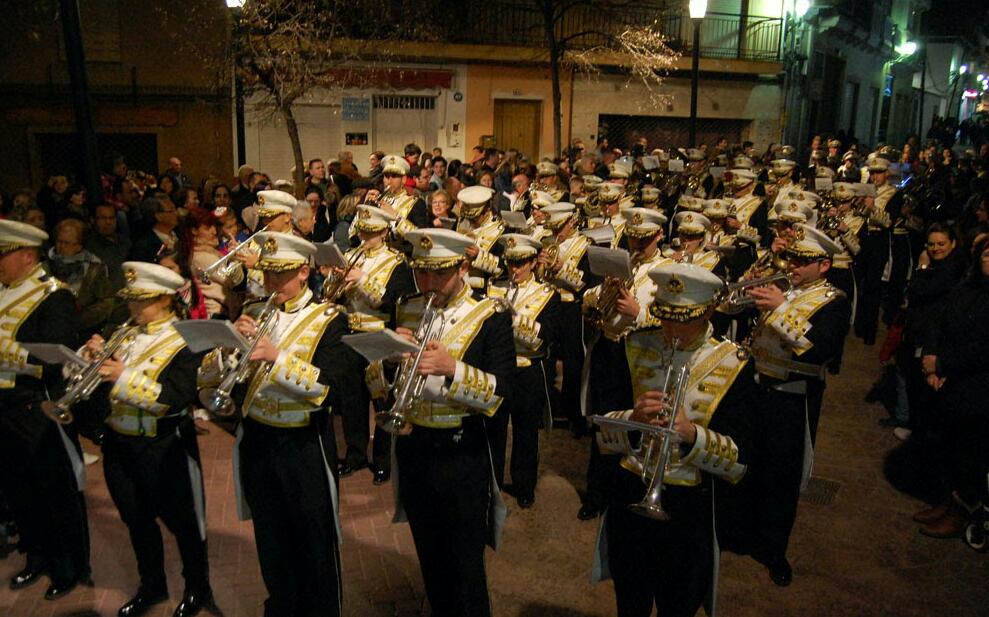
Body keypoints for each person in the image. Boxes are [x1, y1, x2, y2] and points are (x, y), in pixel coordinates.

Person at [198, 232, 353, 616]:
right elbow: (210, 379)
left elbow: (333, 388)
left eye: (279, 276)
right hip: (259, 441)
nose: (270, 285)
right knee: (271, 541)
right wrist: (230, 348)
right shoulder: (255, 310)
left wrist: (278, 359)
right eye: (266, 275)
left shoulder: (330, 318)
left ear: (303, 271)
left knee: (314, 545)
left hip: (304, 446)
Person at [362, 228, 515, 617]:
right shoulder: (410, 307)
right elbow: (379, 387)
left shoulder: (491, 316)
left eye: (439, 274)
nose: (428, 284)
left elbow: (503, 394)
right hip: (415, 447)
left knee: (466, 568)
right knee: (429, 556)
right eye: (421, 274)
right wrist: (389, 361)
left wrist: (454, 370)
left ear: (463, 266)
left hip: (462, 453)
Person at [594, 261, 755, 617]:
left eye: (684, 319)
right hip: (630, 493)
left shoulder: (735, 363)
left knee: (678, 603)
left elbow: (741, 461)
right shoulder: (633, 345)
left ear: (709, 310)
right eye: (665, 316)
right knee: (629, 600)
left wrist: (691, 434)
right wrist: (633, 420)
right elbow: (601, 432)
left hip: (689, 506)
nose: (671, 328)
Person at [87, 261, 215, 617]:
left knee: (184, 524)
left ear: (165, 300)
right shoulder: (124, 333)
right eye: (131, 300)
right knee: (136, 519)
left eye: (141, 301)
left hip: (164, 445)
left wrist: (123, 376)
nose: (133, 308)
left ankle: (197, 588)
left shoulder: (187, 338)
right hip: (120, 442)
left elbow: (176, 395)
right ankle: (152, 585)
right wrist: (93, 360)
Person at [745, 223, 850, 585]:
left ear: (823, 265)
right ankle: (746, 532)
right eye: (791, 258)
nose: (792, 266)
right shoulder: (786, 288)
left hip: (791, 397)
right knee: (751, 464)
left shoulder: (834, 301)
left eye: (802, 261)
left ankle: (774, 550)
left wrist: (778, 310)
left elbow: (821, 348)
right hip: (757, 386)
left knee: (782, 476)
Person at [0, 219, 91, 600]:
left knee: (55, 492)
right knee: (20, 489)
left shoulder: (53, 295)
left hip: (36, 406)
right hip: (5, 407)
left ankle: (67, 566)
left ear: (25, 255)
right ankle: (36, 555)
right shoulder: (5, 291)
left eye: (3, 255)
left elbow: (56, 355)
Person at [578, 208, 669, 521]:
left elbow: (676, 316)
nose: (637, 244)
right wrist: (592, 300)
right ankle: (596, 492)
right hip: (609, 347)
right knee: (604, 421)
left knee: (636, 423)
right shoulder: (623, 262)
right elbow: (592, 294)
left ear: (659, 235)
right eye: (633, 237)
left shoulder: (669, 269)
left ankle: (626, 491)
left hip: (640, 353)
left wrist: (639, 312)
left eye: (644, 238)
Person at [330, 205, 415, 483]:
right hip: (352, 331)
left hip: (379, 334)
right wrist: (335, 278)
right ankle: (355, 454)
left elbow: (392, 300)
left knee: (382, 398)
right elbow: (332, 295)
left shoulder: (396, 262)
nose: (365, 238)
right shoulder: (353, 256)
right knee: (352, 398)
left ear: (383, 231)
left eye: (371, 232)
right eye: (363, 231)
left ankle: (383, 460)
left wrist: (362, 280)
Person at [916, 237, 989, 545]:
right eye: (987, 253)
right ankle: (949, 501)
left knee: (970, 454)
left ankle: (963, 512)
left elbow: (984, 350)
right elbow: (939, 321)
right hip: (949, 380)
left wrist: (941, 364)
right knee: (949, 447)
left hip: (977, 387)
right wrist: (931, 359)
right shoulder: (968, 289)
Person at [487, 233, 561, 508]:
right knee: (494, 428)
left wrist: (514, 318)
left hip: (528, 369)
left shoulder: (547, 295)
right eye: (510, 264)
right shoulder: (496, 288)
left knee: (526, 431)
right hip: (500, 368)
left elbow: (545, 338)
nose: (514, 270)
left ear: (532, 262)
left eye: (520, 264)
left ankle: (524, 484)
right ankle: (492, 482)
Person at [48, 218, 115, 337]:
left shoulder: (93, 268)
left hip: (79, 330)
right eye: (59, 241)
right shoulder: (45, 264)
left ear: (79, 245)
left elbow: (107, 301)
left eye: (67, 243)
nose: (61, 247)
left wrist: (79, 319)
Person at [456, 185, 505, 289]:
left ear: (487, 210)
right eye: (468, 218)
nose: (470, 222)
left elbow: (504, 269)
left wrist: (479, 256)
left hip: (484, 290)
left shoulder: (502, 230)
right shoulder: (460, 223)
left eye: (474, 218)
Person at [377, 155, 429, 236]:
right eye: (386, 176)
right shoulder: (379, 198)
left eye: (394, 176)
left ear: (403, 179)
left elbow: (422, 237)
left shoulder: (416, 203)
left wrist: (396, 217)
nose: (389, 181)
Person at [87, 202, 132, 291]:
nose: (108, 222)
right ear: (93, 220)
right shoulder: (89, 246)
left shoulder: (125, 242)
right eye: (103, 218)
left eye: (111, 218)